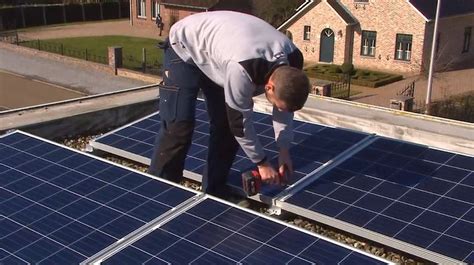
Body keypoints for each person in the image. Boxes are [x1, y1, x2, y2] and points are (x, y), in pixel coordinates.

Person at [148, 11, 310, 197]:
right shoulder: (242, 69)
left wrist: (284, 150)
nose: (279, 110)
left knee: (225, 127)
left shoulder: (293, 63)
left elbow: (285, 110)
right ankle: (160, 193)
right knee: (178, 126)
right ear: (270, 87)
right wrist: (262, 163)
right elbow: (240, 124)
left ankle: (213, 192)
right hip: (186, 45)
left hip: (219, 53)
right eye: (277, 105)